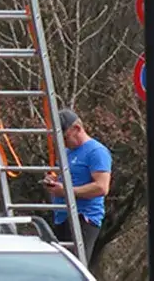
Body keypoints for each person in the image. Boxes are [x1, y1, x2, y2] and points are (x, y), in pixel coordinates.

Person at [45, 108, 111, 263]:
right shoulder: (67, 153)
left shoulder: (96, 152)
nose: (62, 142)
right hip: (62, 217)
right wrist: (53, 182)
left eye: (65, 137)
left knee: (75, 265)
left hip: (83, 218)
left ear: (77, 129)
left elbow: (102, 187)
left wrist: (67, 191)